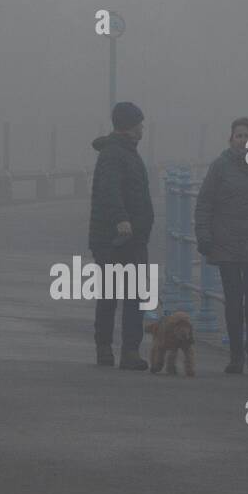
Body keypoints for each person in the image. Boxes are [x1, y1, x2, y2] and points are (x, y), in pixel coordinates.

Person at [194, 117, 248, 373]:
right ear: (230, 139)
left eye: (247, 135)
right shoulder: (219, 167)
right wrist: (204, 236)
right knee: (233, 300)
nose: (243, 140)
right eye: (238, 135)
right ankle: (236, 356)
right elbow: (205, 204)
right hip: (226, 243)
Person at [87, 101, 154, 370]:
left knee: (129, 295)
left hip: (132, 238)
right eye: (139, 123)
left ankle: (126, 351)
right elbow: (109, 191)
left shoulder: (124, 152)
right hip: (116, 238)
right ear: (129, 126)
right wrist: (122, 220)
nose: (142, 128)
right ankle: (112, 350)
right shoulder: (115, 154)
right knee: (114, 295)